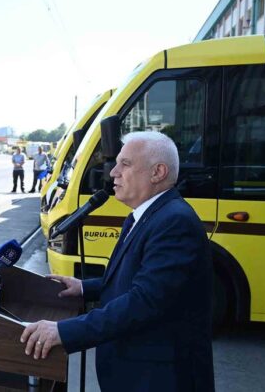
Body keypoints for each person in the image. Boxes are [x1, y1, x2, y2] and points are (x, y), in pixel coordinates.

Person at [20, 132, 214, 392]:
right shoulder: (142, 215)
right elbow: (138, 278)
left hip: (159, 378)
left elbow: (145, 302)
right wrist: (84, 287)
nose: (113, 173)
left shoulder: (174, 222)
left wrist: (64, 331)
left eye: (126, 164)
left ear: (157, 172)